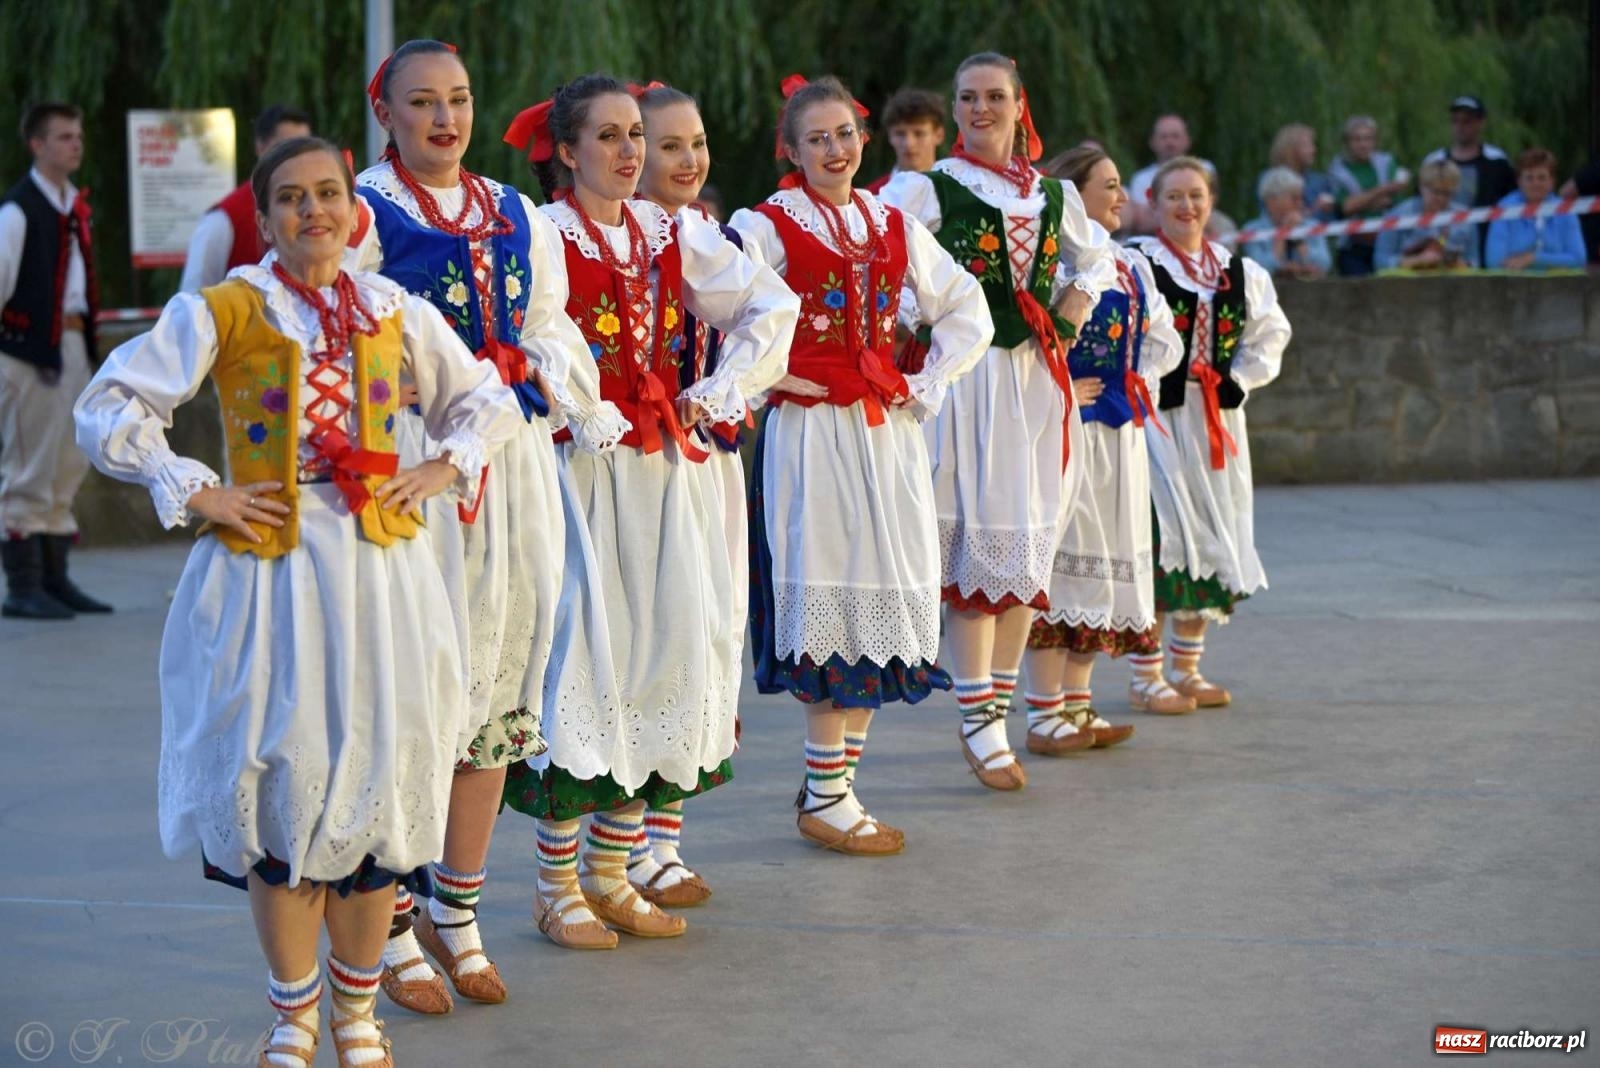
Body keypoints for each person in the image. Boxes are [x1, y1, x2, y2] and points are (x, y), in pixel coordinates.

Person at [74, 135, 522, 1068]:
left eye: (327, 194)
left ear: (354, 212)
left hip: (384, 577)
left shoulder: (395, 308)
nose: (313, 211)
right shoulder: (228, 308)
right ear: (266, 214)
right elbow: (112, 403)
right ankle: (294, 1016)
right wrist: (195, 489)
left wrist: (440, 466)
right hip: (269, 575)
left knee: (377, 782)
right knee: (281, 785)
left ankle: (358, 1017)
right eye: (290, 197)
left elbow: (487, 402)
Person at [500, 74, 797, 948]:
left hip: (666, 468)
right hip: (585, 470)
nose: (631, 153)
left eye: (638, 135)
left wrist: (719, 389)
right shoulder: (544, 232)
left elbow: (768, 305)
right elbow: (533, 330)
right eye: (610, 137)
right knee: (584, 662)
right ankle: (556, 887)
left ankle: (612, 872)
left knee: (663, 653)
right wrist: (587, 409)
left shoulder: (676, 231)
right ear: (566, 151)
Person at [349, 38, 609, 1013]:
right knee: (413, 694)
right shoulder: (364, 210)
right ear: (387, 113)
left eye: (457, 99)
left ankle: (456, 908)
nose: (444, 119)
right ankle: (395, 913)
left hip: (506, 461)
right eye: (423, 103)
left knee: (496, 687)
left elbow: (549, 321)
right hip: (412, 465)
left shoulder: (512, 211)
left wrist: (538, 378)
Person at [731, 74, 991, 851]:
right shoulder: (768, 224)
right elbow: (717, 304)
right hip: (811, 436)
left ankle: (831, 791)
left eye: (845, 134)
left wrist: (927, 380)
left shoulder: (890, 221)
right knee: (832, 592)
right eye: (817, 139)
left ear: (862, 138)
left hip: (884, 430)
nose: (835, 150)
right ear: (792, 150)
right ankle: (827, 793)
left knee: (885, 589)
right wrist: (763, 372)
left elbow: (964, 307)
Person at [882, 52, 1114, 791]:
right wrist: (922, 321)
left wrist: (1075, 304)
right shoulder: (928, 186)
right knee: (974, 542)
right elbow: (885, 267)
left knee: (1024, 548)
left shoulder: (1051, 195)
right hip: (965, 383)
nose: (980, 110)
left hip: (1034, 381)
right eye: (967, 98)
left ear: (1020, 106)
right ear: (954, 109)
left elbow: (1097, 258)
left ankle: (997, 713)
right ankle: (979, 720)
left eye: (994, 97)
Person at [621, 81, 748, 906]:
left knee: (704, 636)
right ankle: (622, 846)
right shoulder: (605, 240)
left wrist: (729, 385)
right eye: (669, 146)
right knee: (639, 641)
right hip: (628, 459)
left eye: (695, 143)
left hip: (702, 457)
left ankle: (663, 839)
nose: (687, 160)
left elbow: (771, 319)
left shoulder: (710, 237)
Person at [1022, 145, 1191, 749]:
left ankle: (1076, 704)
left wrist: (1135, 378)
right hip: (1072, 433)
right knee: (1069, 558)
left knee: (1106, 564)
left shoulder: (1130, 265)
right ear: (1073, 196)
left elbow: (1164, 338)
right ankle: (1043, 712)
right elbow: (1018, 345)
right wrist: (1066, 379)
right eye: (1111, 185)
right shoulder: (1049, 264)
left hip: (1121, 436)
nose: (1121, 197)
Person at [1128, 158, 1291, 710]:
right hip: (1156, 419)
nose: (1186, 207)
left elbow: (1269, 335)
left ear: (1210, 199)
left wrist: (1238, 380)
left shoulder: (1238, 271)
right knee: (1159, 532)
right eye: (1173, 196)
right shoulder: (1137, 263)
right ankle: (1146, 675)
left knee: (1214, 527)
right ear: (1153, 202)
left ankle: (1188, 668)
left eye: (1195, 195)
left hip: (1216, 418)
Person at [0, 101, 110, 619]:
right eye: (64, 136)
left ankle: (54, 578)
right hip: (27, 353)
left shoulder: (72, 208)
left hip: (70, 345)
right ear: (36, 145)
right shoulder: (17, 213)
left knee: (69, 461)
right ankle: (23, 584)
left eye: (77, 135)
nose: (76, 144)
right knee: (28, 465)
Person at [179, 104, 312, 292]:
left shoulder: (317, 212)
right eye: (284, 148)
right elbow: (194, 299)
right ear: (260, 147)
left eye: (304, 149)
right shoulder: (223, 219)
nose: (296, 158)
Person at [1421, 94, 1516, 259]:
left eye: (1467, 121)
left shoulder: (1497, 161)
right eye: (1455, 121)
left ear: (1480, 123)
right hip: (1441, 238)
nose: (1460, 127)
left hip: (1486, 240)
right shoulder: (1434, 160)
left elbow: (1510, 201)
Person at [1326, 116, 1408, 276]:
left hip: (1388, 242)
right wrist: (1382, 190)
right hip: (1354, 245)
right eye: (1357, 139)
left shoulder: (1386, 161)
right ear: (1347, 142)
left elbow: (1394, 200)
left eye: (1368, 138)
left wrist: (1361, 202)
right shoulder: (1337, 170)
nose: (1363, 144)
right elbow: (1345, 207)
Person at [1486, 148, 1586, 271]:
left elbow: (1578, 259)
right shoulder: (1503, 208)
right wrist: (1556, 260)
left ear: (1552, 181)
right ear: (1519, 181)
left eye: (1542, 177)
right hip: (1514, 285)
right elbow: (1494, 261)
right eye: (1529, 178)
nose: (1536, 183)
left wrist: (1533, 258)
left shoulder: (1565, 210)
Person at [1374, 159, 1481, 271]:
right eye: (1435, 192)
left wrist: (1458, 264)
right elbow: (1380, 261)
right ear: (1421, 187)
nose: (1441, 198)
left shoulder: (1466, 218)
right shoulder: (1398, 215)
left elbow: (1475, 262)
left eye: (1447, 193)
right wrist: (1417, 260)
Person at [1126, 114, 1214, 235]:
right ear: (1152, 142)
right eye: (1164, 137)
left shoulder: (1205, 169)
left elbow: (1209, 213)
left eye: (1175, 136)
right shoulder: (1140, 179)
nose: (1170, 142)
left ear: (1187, 140)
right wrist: (1188, 217)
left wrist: (1163, 212)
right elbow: (1142, 222)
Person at [1240, 167, 1332, 279]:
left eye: (1301, 198)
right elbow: (1259, 269)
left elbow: (1324, 264)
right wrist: (1282, 235)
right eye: (1294, 199)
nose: (1300, 204)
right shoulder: (1251, 231)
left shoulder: (1312, 226)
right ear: (1272, 201)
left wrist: (1299, 239)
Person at [865, 87, 946, 193]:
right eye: (900, 134)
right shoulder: (872, 197)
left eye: (919, 133)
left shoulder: (958, 193)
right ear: (890, 136)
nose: (909, 143)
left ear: (939, 135)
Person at [1260, 123, 1335, 219]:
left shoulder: (1318, 181)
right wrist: (1314, 209)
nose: (1313, 150)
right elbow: (1271, 217)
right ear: (1290, 149)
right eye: (1307, 145)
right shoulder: (1270, 179)